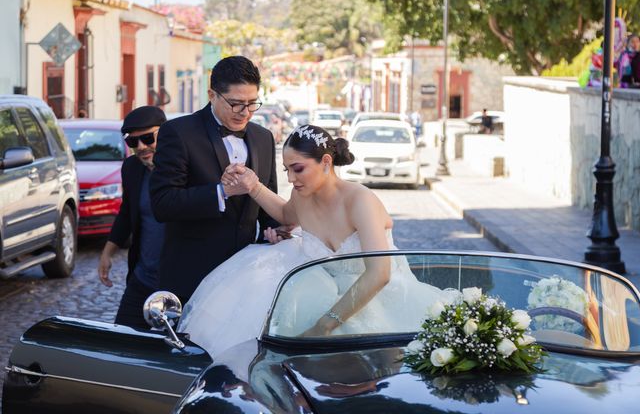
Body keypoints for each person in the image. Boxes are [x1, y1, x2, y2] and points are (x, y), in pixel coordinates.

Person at [178, 124, 445, 358]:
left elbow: (379, 274)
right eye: (287, 171)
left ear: (326, 162)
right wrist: (252, 185)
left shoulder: (360, 200)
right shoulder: (302, 197)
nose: (291, 179)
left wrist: (324, 325)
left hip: (380, 304)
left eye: (298, 169)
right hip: (320, 293)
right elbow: (285, 214)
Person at [149, 56, 280, 304]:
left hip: (246, 279)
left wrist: (275, 229)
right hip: (192, 278)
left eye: (253, 103)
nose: (245, 112)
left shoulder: (264, 138)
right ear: (212, 95)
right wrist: (222, 192)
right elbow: (162, 204)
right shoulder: (178, 133)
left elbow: (266, 204)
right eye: (236, 103)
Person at [98, 106, 167, 329]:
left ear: (166, 134)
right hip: (142, 278)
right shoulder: (131, 168)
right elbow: (127, 212)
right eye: (133, 142)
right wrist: (107, 253)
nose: (141, 147)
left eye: (148, 138)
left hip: (179, 283)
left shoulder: (187, 168)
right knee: (123, 341)